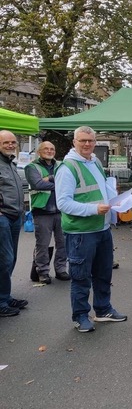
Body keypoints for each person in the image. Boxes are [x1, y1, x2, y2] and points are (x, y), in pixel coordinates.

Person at [55, 126, 127, 332]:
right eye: (82, 140)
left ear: (95, 142)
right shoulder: (67, 168)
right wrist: (94, 209)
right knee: (81, 277)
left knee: (103, 273)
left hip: (102, 228)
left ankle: (103, 310)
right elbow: (63, 204)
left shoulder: (94, 161)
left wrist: (115, 202)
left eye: (91, 140)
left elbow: (101, 189)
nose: (87, 144)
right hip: (81, 232)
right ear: (74, 142)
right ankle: (80, 316)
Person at [25, 141, 69, 284]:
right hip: (42, 211)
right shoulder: (31, 167)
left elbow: (68, 182)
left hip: (61, 210)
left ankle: (61, 269)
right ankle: (43, 272)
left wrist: (49, 178)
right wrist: (58, 183)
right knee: (42, 244)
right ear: (39, 151)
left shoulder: (60, 165)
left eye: (52, 149)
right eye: (46, 149)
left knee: (63, 243)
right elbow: (37, 184)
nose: (49, 151)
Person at [0, 130, 28, 317]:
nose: (11, 145)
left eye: (13, 142)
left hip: (15, 216)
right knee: (5, 259)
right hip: (3, 217)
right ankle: (2, 301)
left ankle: (5, 295)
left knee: (12, 258)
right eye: (6, 143)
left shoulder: (10, 163)